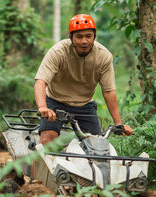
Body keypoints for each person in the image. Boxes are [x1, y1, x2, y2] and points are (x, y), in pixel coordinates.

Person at [34, 14, 133, 145]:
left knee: (97, 146)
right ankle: (37, 164)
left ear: (94, 37)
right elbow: (41, 81)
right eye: (79, 37)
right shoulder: (58, 52)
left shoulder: (104, 56)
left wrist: (118, 124)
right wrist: (42, 107)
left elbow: (109, 91)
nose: (84, 41)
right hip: (55, 101)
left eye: (88, 36)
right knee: (46, 141)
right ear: (71, 38)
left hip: (85, 105)